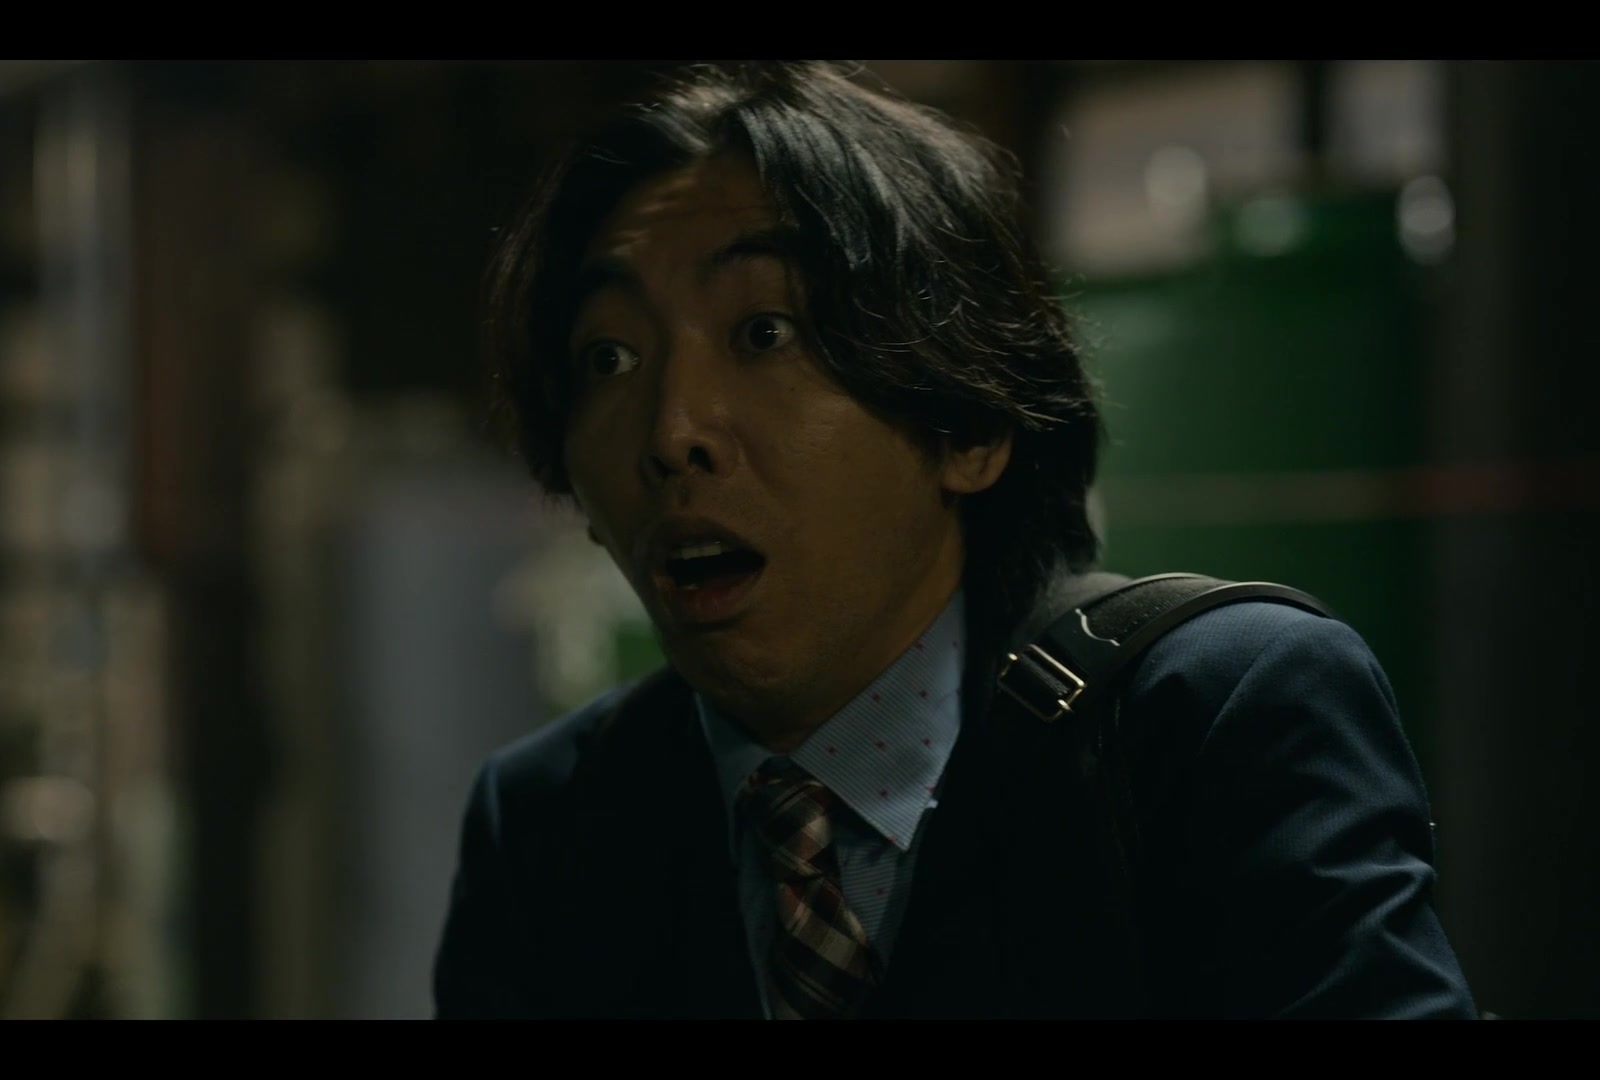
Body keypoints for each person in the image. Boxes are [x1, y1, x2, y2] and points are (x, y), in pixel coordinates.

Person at [432, 60, 1476, 1019]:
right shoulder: (555, 820)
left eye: (764, 333)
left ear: (966, 425)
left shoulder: (1212, 720)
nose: (671, 434)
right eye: (609, 359)